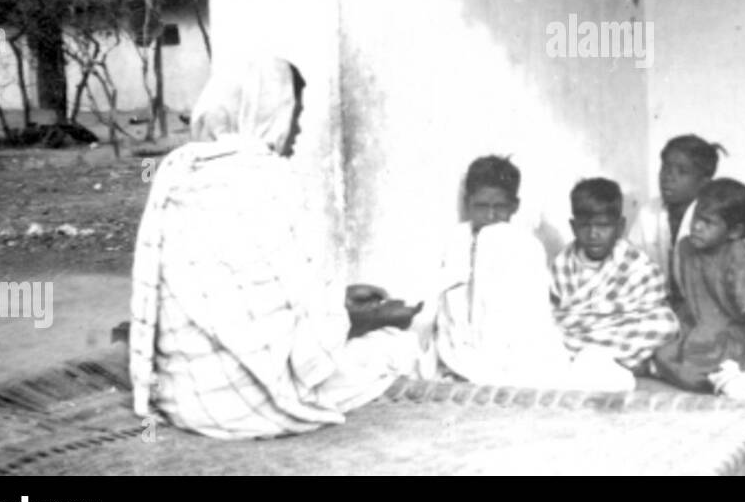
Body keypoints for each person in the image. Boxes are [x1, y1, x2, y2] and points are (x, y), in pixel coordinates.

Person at [129, 57, 423, 440]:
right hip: (254, 405)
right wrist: (371, 317)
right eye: (295, 114)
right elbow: (299, 346)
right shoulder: (269, 179)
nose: (297, 129)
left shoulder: (179, 171)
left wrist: (339, 300)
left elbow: (250, 304)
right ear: (266, 112)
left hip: (185, 398)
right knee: (397, 347)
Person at [425, 156, 633, 391]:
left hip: (512, 349)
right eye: (482, 207)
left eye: (500, 207)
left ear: (515, 206)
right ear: (467, 203)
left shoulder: (525, 245)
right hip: (461, 347)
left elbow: (530, 317)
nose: (491, 217)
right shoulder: (455, 241)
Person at [651, 178, 745, 395]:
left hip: (744, 332)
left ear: (734, 231)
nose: (696, 226)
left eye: (708, 222)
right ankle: (701, 379)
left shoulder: (737, 258)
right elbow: (693, 301)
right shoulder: (686, 248)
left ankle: (702, 380)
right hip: (706, 327)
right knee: (662, 353)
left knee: (711, 361)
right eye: (696, 217)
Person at [549, 178, 680, 374]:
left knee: (665, 323)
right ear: (573, 226)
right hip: (577, 332)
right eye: (585, 226)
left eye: (603, 226)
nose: (593, 234)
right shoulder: (562, 263)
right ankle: (620, 364)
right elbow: (553, 310)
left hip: (619, 330)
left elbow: (653, 305)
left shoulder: (636, 263)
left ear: (620, 227)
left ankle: (591, 361)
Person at [627, 134, 726, 284]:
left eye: (682, 171)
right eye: (665, 167)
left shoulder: (714, 217)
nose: (668, 177)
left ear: (704, 182)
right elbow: (632, 260)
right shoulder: (648, 212)